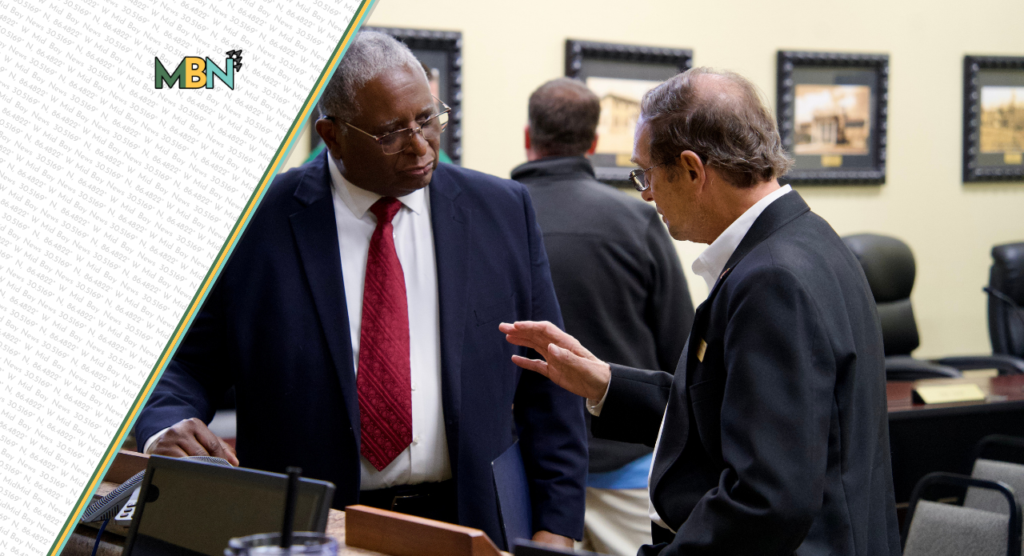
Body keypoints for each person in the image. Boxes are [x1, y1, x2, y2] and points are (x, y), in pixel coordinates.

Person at [134, 31, 586, 549]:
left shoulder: (502, 211)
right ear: (332, 135)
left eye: (427, 119)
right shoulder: (254, 220)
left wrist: (557, 529)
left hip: (473, 519)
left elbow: (550, 376)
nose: (421, 146)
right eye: (391, 133)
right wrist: (165, 426)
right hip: (310, 526)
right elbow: (183, 364)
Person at [501, 67, 900, 556]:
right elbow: (733, 412)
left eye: (646, 173)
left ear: (692, 170)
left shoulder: (771, 279)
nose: (646, 193)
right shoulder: (806, 239)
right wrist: (605, 384)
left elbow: (766, 500)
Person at [510, 78, 694, 556]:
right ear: (592, 143)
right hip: (627, 469)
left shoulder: (494, 219)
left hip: (529, 474)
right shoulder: (637, 221)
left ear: (528, 135)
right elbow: (681, 349)